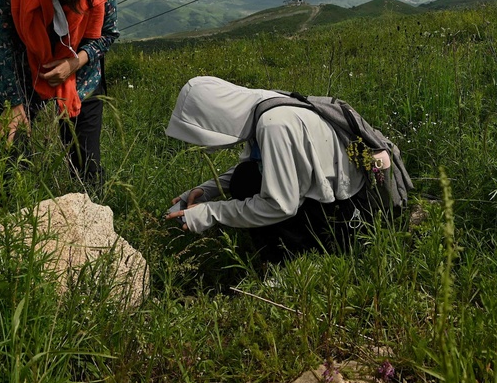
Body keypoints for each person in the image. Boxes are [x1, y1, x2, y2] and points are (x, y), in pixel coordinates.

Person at [163, 76, 396, 262]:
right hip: (332, 196)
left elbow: (280, 205)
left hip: (343, 213)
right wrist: (207, 190)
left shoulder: (274, 125)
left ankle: (291, 259)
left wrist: (211, 213)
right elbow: (261, 165)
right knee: (245, 178)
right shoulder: (264, 106)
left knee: (246, 183)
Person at [0, 0, 118, 197]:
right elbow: (4, 46)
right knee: (6, 159)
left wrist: (75, 62)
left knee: (87, 167)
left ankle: (95, 224)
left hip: (82, 75)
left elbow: (107, 35)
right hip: (24, 73)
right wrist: (13, 103)